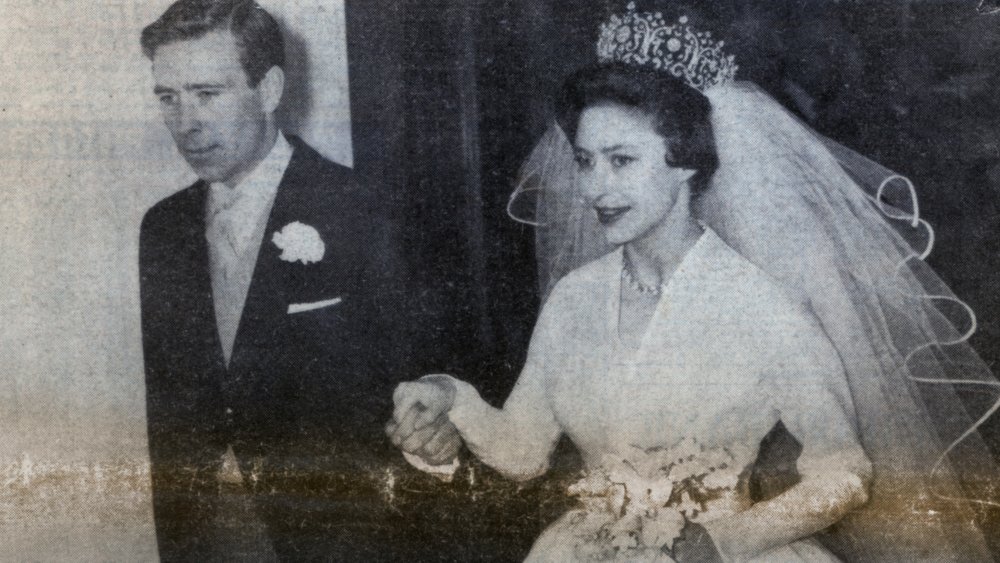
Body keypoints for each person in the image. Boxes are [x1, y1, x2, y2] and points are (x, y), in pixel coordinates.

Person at [389, 4, 1000, 561]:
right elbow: (523, 453)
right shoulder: (574, 299)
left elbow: (842, 472)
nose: (594, 187)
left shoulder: (761, 305)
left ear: (684, 163)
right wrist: (450, 399)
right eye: (584, 160)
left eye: (622, 160)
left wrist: (724, 539)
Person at [138, 0, 461, 560]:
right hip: (207, 537)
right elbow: (170, 414)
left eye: (207, 94)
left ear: (268, 90)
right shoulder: (161, 230)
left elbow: (438, 380)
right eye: (169, 97)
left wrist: (440, 430)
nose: (185, 123)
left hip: (341, 540)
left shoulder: (365, 209)